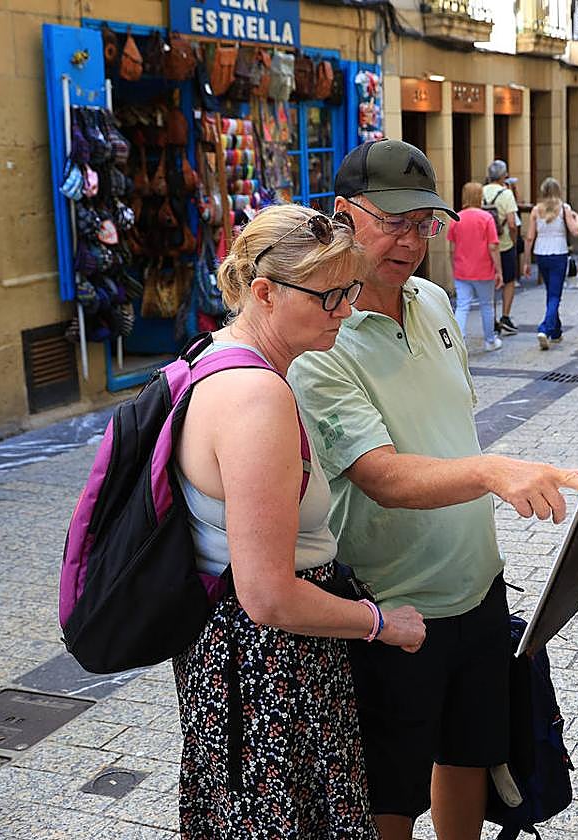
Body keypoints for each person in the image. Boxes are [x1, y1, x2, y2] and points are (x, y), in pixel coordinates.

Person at [287, 138, 578, 840]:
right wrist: (492, 471)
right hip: (394, 611)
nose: (413, 240)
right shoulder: (323, 341)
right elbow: (382, 475)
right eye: (393, 221)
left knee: (470, 756)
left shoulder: (431, 299)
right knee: (388, 792)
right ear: (341, 214)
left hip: (478, 587)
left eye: (425, 222)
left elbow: (448, 431)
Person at [172, 204, 426, 838]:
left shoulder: (216, 358)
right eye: (330, 296)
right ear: (264, 292)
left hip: (247, 663)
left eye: (348, 291)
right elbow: (268, 596)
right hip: (270, 672)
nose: (345, 310)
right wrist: (381, 624)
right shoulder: (257, 399)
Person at [522, 177, 578, 350]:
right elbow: (576, 231)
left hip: (541, 254)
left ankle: (556, 331)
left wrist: (526, 262)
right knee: (555, 295)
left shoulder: (535, 210)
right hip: (559, 253)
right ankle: (545, 329)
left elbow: (530, 237)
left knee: (551, 292)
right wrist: (576, 217)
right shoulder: (564, 209)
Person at [448, 181, 503, 351]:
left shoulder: (456, 218)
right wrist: (499, 270)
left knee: (463, 306)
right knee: (486, 305)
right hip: (484, 270)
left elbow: (451, 248)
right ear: (480, 197)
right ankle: (490, 341)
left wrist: (454, 267)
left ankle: (459, 341)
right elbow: (493, 247)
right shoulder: (486, 218)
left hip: (462, 270)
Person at [482, 161, 521, 336]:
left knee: (490, 282)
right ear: (504, 175)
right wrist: (513, 240)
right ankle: (505, 316)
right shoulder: (506, 194)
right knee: (509, 280)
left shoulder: (480, 192)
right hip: (504, 244)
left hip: (484, 245)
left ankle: (492, 318)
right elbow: (512, 223)